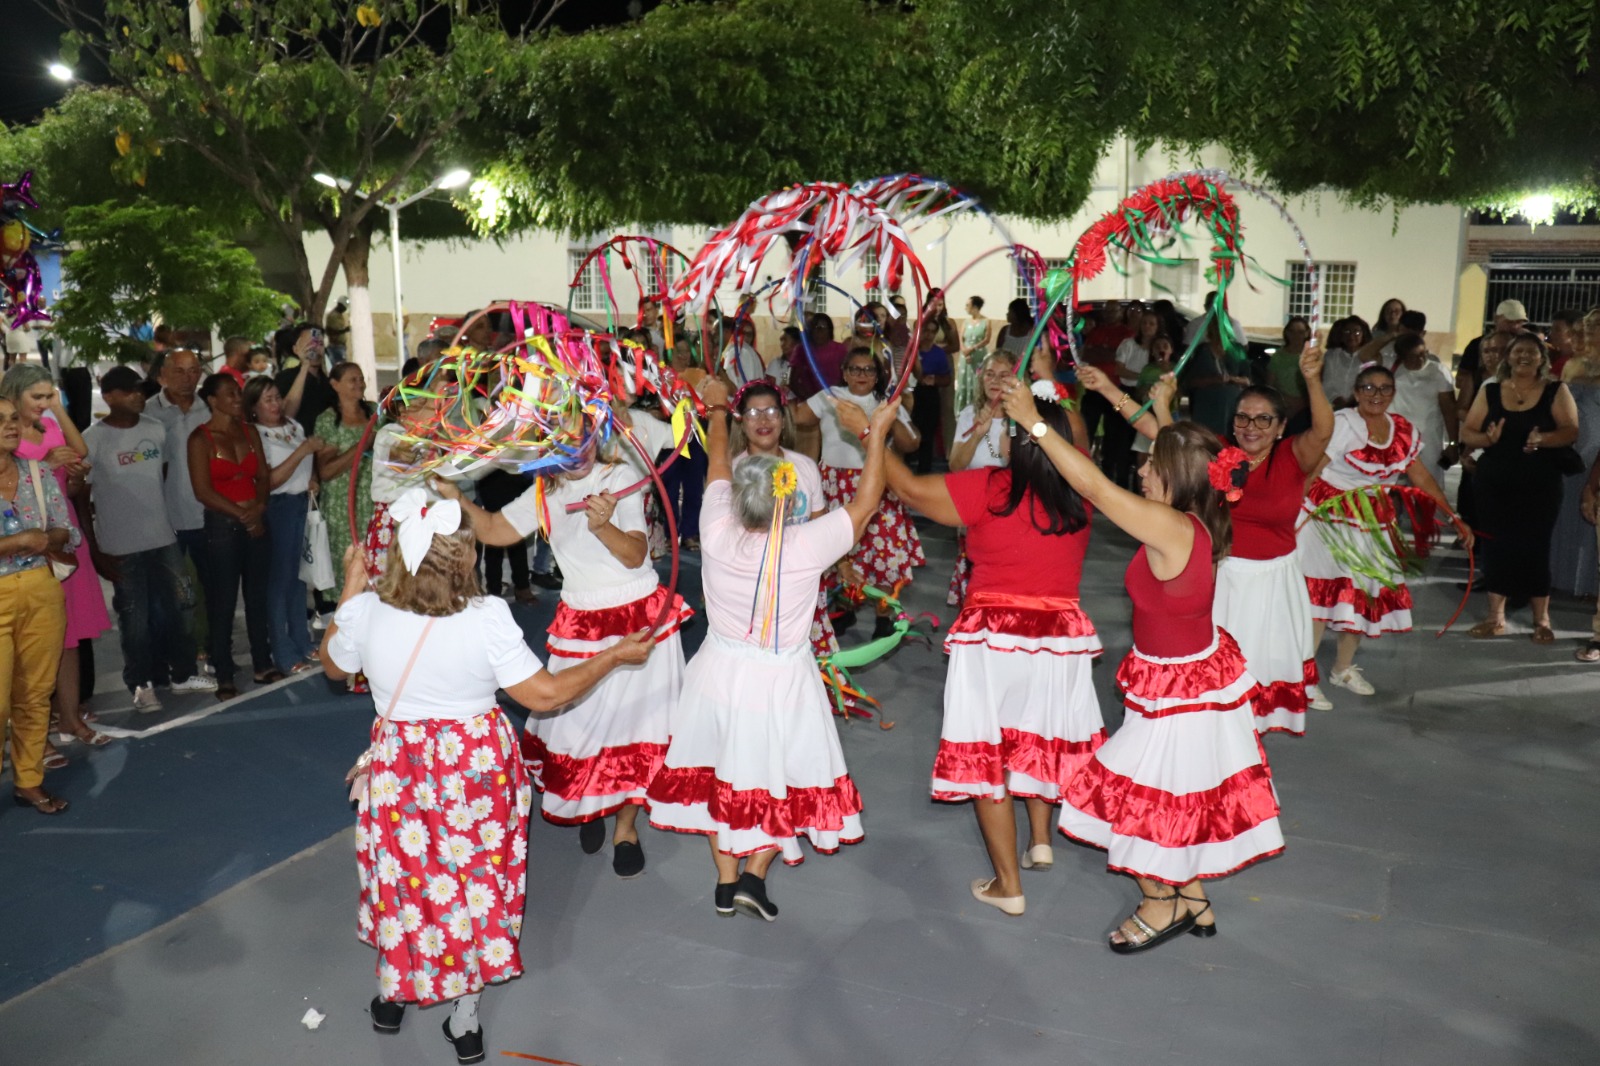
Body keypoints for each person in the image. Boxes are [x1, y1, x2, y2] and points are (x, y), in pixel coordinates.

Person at [322, 492, 652, 1061]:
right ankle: (466, 1020)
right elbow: (545, 696)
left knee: (407, 881)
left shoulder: (366, 611)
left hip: (401, 769)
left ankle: (395, 992)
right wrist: (613, 656)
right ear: (464, 557)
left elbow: (334, 665)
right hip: (474, 770)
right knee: (475, 885)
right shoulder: (486, 618)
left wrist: (352, 584)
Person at [1001, 383, 1283, 953]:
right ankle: (1193, 897)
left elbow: (1093, 486)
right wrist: (1159, 406)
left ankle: (1160, 899)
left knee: (1130, 796)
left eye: (1153, 464)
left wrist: (1034, 422)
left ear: (1178, 475)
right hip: (1187, 680)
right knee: (1173, 793)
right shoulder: (1197, 516)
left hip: (1181, 693)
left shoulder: (1170, 526)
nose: (1142, 468)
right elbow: (1179, 446)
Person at [842, 378, 1103, 917]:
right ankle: (1040, 840)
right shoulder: (1083, 493)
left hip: (995, 638)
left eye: (1008, 430)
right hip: (1060, 640)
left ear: (1020, 439)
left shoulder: (992, 488)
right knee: (1038, 737)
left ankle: (1009, 885)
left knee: (989, 754)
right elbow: (1072, 444)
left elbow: (910, 490)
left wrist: (870, 432)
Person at [647, 380, 902, 920]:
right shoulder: (807, 544)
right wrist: (875, 435)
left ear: (737, 496)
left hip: (717, 672)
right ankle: (754, 875)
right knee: (779, 776)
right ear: (787, 498)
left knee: (720, 771)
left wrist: (719, 408)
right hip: (782, 681)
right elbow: (865, 504)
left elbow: (718, 458)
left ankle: (726, 881)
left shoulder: (715, 527)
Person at [436, 426, 692, 880]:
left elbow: (635, 554)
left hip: (637, 615)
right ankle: (592, 801)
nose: (578, 450)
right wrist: (456, 497)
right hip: (582, 622)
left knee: (640, 726)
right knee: (578, 727)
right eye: (565, 442)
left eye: (584, 439)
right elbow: (494, 529)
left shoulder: (619, 476)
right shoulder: (545, 490)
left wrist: (603, 526)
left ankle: (625, 828)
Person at [1297, 364, 1469, 696]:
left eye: (1384, 388)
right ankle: (1303, 678)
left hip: (1373, 521)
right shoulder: (1343, 423)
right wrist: (1288, 517)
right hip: (1328, 517)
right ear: (1356, 392)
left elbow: (1421, 477)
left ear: (1393, 392)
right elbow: (1311, 471)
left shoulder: (1402, 430)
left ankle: (1342, 669)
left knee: (1362, 594)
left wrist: (1453, 516)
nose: (1376, 395)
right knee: (1321, 594)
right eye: (1368, 388)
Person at [81, 368, 214, 712]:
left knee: (181, 607)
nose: (138, 396)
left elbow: (161, 475)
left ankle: (182, 674)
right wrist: (94, 549)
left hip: (163, 538)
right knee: (134, 621)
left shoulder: (155, 429)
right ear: (108, 396)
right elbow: (81, 496)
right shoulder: (92, 439)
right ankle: (141, 684)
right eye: (129, 391)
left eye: (140, 390)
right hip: (120, 546)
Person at [2, 366, 112, 756]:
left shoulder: (49, 425)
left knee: (68, 637)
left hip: (63, 539)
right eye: (37, 396)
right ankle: (33, 735)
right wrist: (47, 465)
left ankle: (70, 717)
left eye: (49, 395)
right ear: (13, 395)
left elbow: (80, 453)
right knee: (25, 650)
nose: (44, 402)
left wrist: (58, 410)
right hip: (23, 551)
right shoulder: (7, 440)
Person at [794, 348, 923, 638]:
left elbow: (912, 442)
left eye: (868, 369)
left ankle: (884, 617)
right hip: (835, 486)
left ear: (877, 376)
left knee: (883, 553)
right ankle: (845, 610)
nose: (861, 375)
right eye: (854, 369)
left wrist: (891, 415)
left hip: (876, 485)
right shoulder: (830, 396)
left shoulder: (885, 402)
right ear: (844, 372)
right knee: (841, 552)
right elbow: (797, 417)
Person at [1461, 332, 1579, 641]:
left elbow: (1570, 430)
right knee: (1496, 547)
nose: (1524, 356)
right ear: (1508, 357)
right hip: (1494, 483)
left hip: (1540, 482)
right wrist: (1486, 439)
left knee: (1535, 547)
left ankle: (1542, 620)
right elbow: (1467, 432)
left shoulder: (1555, 390)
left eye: (1531, 352)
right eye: (1518, 351)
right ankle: (1495, 618)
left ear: (1542, 359)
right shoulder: (1491, 391)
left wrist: (1543, 439)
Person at [0, 395, 76, 814]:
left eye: (14, 418)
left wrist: (48, 539)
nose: (11, 426)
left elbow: (66, 530)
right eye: (0, 420)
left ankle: (28, 781)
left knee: (35, 693)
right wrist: (17, 542)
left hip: (41, 589)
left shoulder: (37, 472)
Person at [189, 374, 273, 699]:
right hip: (223, 525)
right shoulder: (200, 439)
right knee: (223, 601)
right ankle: (223, 672)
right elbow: (202, 491)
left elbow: (262, 475)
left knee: (257, 597)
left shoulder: (250, 431)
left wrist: (259, 508)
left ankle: (262, 663)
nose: (238, 398)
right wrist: (243, 515)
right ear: (212, 400)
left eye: (238, 392)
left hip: (255, 521)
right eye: (230, 393)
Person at [244, 377, 323, 674]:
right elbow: (270, 480)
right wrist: (302, 451)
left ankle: (302, 639)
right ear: (254, 406)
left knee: (299, 577)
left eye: (277, 397)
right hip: (278, 508)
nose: (276, 404)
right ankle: (283, 650)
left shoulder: (292, 426)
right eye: (268, 400)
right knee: (279, 582)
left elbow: (307, 464)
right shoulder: (255, 434)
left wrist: (311, 478)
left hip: (301, 503)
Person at [151, 349, 212, 656]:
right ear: (163, 375)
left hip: (209, 515)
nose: (188, 378)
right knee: (176, 591)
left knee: (210, 587)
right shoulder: (148, 413)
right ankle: (178, 652)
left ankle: (207, 646)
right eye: (180, 371)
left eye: (194, 370)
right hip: (168, 518)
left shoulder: (211, 407)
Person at [945, 351, 1017, 607]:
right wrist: (977, 433)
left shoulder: (1022, 417)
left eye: (1004, 375)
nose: (995, 381)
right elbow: (955, 465)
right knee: (974, 574)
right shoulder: (969, 413)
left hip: (1010, 509)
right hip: (974, 507)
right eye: (989, 374)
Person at [314, 362, 376, 599]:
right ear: (335, 385)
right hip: (343, 507)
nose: (359, 384)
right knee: (350, 568)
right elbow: (326, 471)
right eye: (352, 380)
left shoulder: (374, 412)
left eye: (361, 379)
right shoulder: (328, 420)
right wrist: (362, 444)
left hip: (374, 502)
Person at [1455, 331, 1509, 534]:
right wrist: (1478, 420)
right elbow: (1460, 408)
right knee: (1471, 494)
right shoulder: (1479, 379)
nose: (1493, 355)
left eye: (1499, 350)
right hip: (1478, 440)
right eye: (1487, 351)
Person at [910, 312, 954, 474]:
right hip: (911, 393)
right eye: (925, 331)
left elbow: (947, 378)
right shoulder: (911, 350)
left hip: (929, 395)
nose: (928, 335)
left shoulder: (939, 354)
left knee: (927, 434)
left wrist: (934, 380)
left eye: (932, 331)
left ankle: (924, 471)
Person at [276, 323, 338, 437]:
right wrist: (305, 366)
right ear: (296, 349)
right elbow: (286, 414)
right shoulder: (285, 378)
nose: (315, 349)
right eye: (309, 345)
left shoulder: (329, 382)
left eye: (320, 344)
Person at [1266, 317, 1312, 428]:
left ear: (1307, 333)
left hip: (1306, 410)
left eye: (1300, 332)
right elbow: (1270, 386)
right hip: (1283, 407)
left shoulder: (1311, 357)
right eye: (1292, 331)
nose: (1296, 336)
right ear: (1287, 333)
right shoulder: (1278, 357)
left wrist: (1302, 402)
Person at [1320, 317, 1372, 407]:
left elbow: (1367, 383)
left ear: (1363, 334)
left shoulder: (1369, 356)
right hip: (1332, 406)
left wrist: (1352, 403)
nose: (1351, 336)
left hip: (1359, 406)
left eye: (1357, 332)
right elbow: (1327, 384)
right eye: (1347, 332)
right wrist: (1340, 402)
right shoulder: (1332, 355)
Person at [955, 295, 991, 412]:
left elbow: (986, 339)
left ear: (975, 307)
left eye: (968, 305)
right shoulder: (965, 322)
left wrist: (973, 348)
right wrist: (965, 351)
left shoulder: (986, 322)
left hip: (978, 356)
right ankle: (961, 410)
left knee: (976, 382)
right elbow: (961, 337)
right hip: (965, 357)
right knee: (963, 382)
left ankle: (976, 409)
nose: (965, 308)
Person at [323, 297, 351, 362]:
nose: (345, 310)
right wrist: (345, 330)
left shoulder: (339, 315)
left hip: (340, 346)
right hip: (336, 346)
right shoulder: (333, 316)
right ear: (340, 305)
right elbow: (331, 331)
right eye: (344, 308)